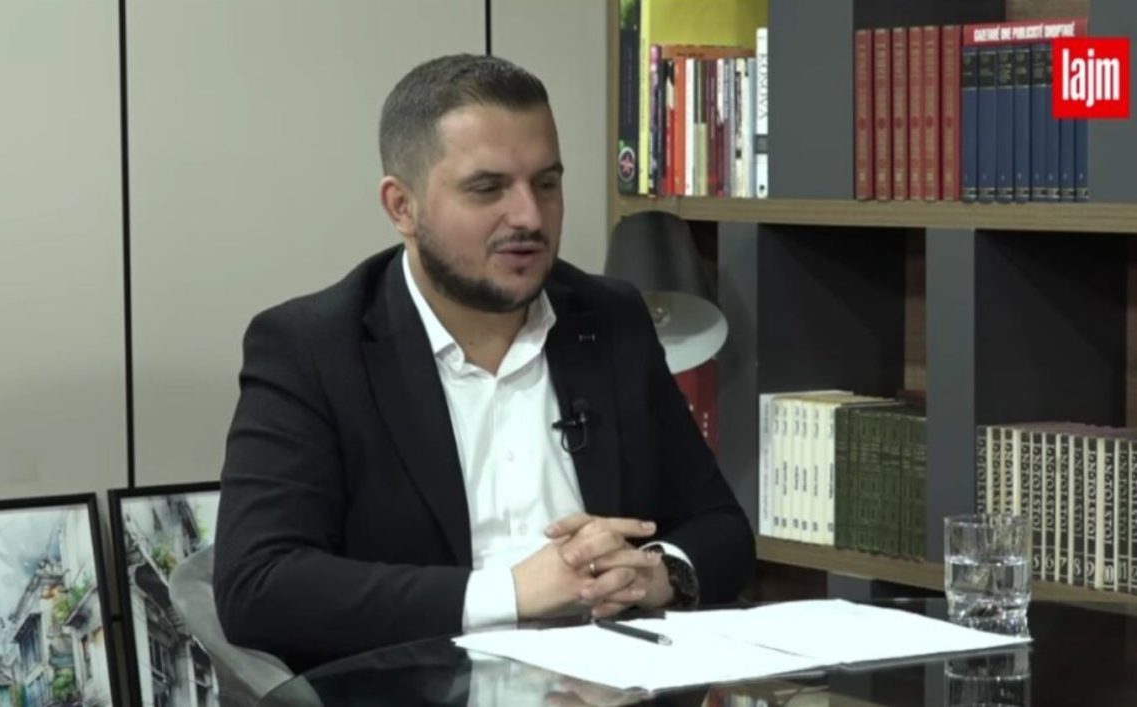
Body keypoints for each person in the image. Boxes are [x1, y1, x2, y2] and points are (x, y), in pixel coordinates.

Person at [213, 53, 755, 674]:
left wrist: (654, 575)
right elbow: (259, 585)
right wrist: (512, 593)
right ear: (401, 206)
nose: (529, 216)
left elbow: (721, 527)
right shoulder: (312, 348)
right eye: (487, 188)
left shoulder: (611, 320)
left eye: (546, 184)